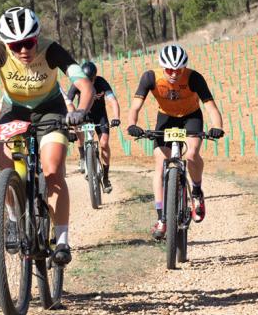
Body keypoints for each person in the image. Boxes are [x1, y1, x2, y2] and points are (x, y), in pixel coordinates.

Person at [0, 6, 93, 265]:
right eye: (16, 46)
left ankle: (62, 241)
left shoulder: (52, 50)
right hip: (14, 111)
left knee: (53, 169)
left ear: (37, 38)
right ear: (6, 44)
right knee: (6, 166)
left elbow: (85, 85)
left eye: (29, 43)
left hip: (50, 110)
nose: (23, 51)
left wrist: (80, 111)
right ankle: (14, 217)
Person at [127, 44, 224, 239]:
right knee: (160, 165)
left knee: (192, 153)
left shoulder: (193, 77)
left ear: (184, 68)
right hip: (166, 119)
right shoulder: (151, 77)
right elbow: (135, 106)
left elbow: (211, 107)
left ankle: (196, 191)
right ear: (163, 67)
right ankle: (162, 217)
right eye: (169, 70)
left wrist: (217, 127)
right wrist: (132, 124)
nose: (173, 74)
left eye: (178, 70)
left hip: (190, 116)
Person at [65, 61, 120, 193]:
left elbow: (112, 100)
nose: (88, 82)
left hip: (100, 115)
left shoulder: (101, 82)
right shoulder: (78, 83)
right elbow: (68, 102)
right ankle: (83, 157)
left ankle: (106, 177)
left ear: (95, 77)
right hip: (83, 115)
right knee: (78, 131)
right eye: (86, 79)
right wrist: (70, 124)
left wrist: (116, 117)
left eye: (91, 79)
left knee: (104, 143)